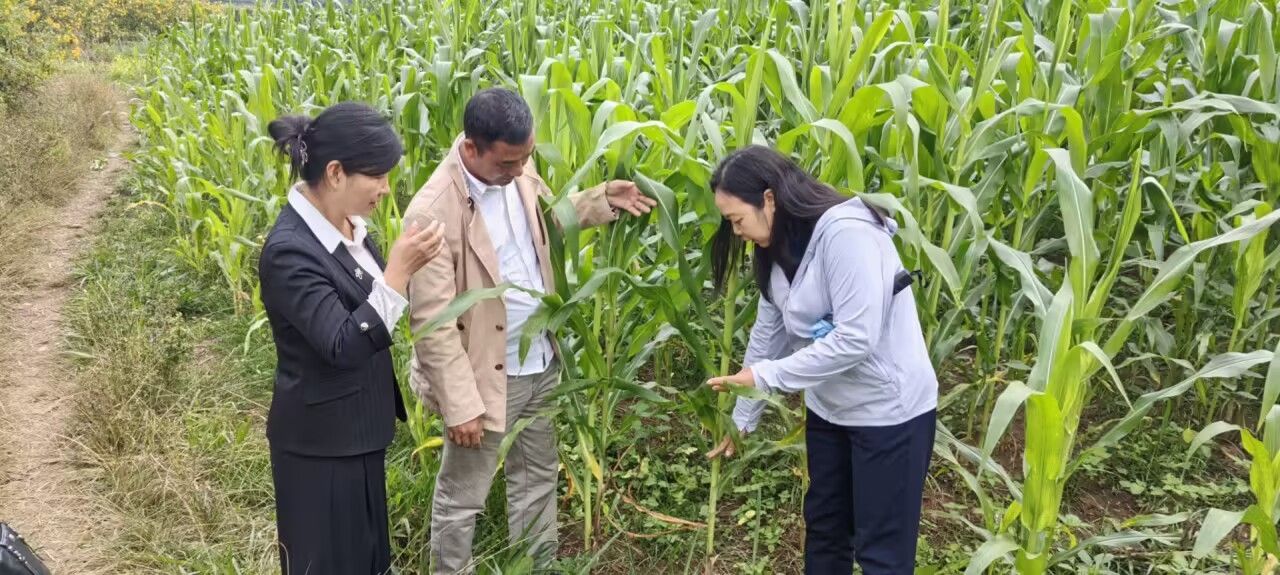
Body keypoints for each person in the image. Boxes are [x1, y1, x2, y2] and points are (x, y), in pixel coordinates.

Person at [403, 87, 656, 573]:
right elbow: (432, 325)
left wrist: (601, 200)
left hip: (541, 358)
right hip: (486, 377)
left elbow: (542, 224)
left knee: (537, 476)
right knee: (463, 496)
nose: (520, 170)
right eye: (508, 163)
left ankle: (536, 566)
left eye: (526, 158)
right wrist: (461, 405)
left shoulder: (516, 168)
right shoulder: (433, 211)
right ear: (471, 147)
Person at [704, 146, 938, 575]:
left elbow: (856, 338)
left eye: (737, 219)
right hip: (830, 411)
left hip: (889, 412)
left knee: (881, 553)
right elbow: (767, 336)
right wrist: (742, 418)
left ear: (769, 199)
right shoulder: (776, 249)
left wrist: (766, 377)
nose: (736, 232)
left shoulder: (848, 234)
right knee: (826, 532)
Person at [259, 102, 445, 574]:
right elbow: (342, 344)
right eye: (377, 176)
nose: (386, 188)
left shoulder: (348, 228)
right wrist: (397, 274)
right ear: (336, 173)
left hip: (357, 432)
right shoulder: (290, 252)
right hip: (319, 447)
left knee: (367, 560)